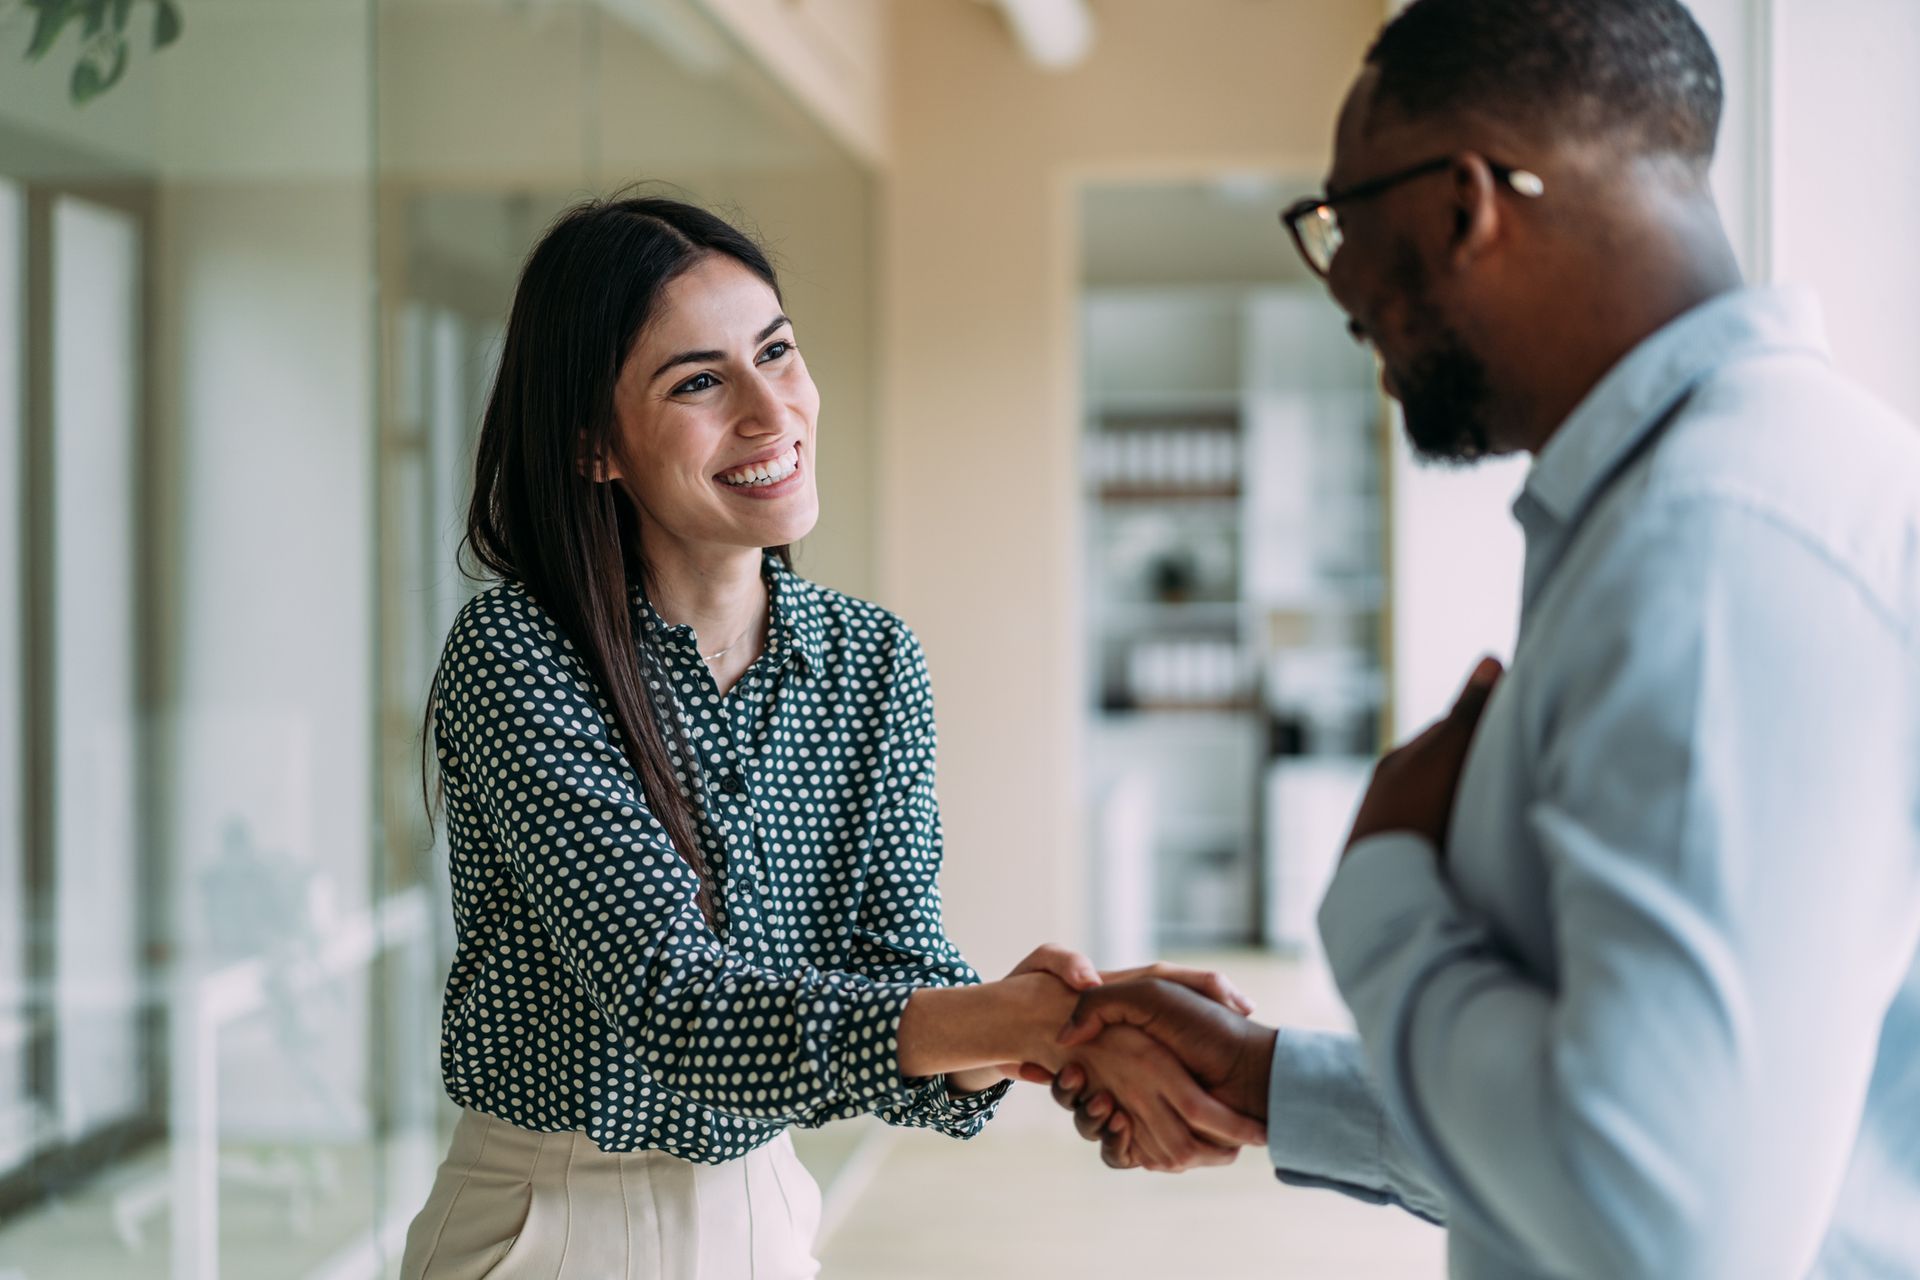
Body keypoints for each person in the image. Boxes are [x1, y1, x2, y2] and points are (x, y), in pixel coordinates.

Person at [1045, 2, 1920, 1276]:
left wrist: (1388, 891)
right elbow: (1605, 1113)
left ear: (1464, 203)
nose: (1338, 280)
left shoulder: (1718, 544)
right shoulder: (1706, 501)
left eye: (1340, 217)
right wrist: (1273, 1081)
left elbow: (1659, 1222)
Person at [397, 195, 1263, 1280]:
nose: (772, 411)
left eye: (777, 354)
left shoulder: (871, 661)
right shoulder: (521, 649)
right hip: (552, 1222)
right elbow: (672, 999)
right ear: (591, 444)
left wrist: (1061, 1030)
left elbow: (898, 960)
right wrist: (1021, 1019)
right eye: (701, 381)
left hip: (765, 1212)